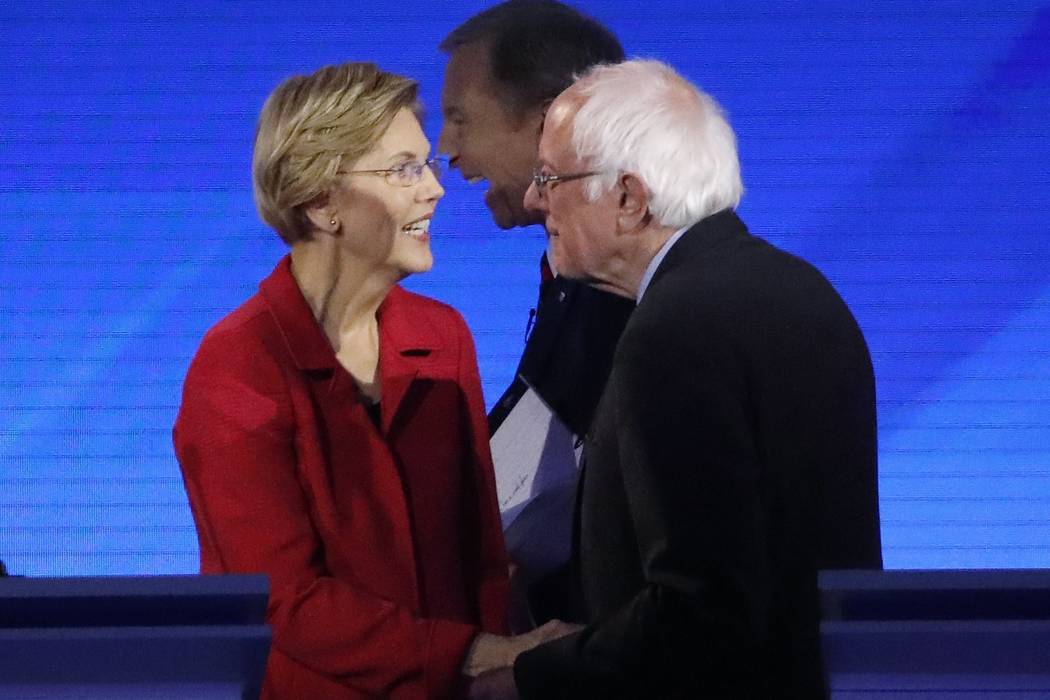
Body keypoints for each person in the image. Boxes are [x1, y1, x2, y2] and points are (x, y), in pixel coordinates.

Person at [474, 59, 883, 699]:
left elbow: (700, 613)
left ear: (630, 199)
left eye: (550, 178)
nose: (533, 200)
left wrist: (525, 677)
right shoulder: (801, 290)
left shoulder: (673, 332)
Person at [173, 62, 573, 700]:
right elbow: (286, 602)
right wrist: (474, 653)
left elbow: (479, 561)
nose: (436, 191)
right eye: (404, 170)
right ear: (321, 200)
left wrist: (509, 658)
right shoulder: (237, 369)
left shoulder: (443, 338)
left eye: (428, 166)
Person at [438, 0, 635, 627]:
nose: (445, 150)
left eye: (460, 118)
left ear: (553, 119)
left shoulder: (634, 291)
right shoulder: (571, 283)